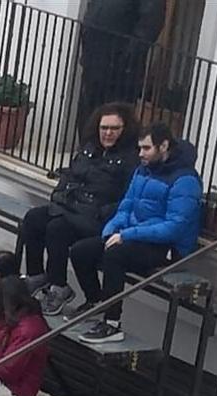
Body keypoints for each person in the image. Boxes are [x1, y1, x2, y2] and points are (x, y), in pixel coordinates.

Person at [69, 123, 201, 344]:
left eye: (146, 148)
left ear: (164, 146)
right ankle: (96, 302)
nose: (141, 154)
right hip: (134, 235)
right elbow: (126, 205)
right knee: (81, 251)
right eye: (140, 148)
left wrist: (128, 234)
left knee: (115, 255)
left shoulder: (185, 181)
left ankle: (112, 324)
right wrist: (111, 229)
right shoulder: (143, 170)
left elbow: (174, 227)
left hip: (166, 248)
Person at [22, 104, 138, 316]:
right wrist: (58, 195)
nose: (108, 133)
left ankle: (59, 287)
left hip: (96, 218)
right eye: (104, 127)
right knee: (33, 218)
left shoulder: (131, 159)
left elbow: (127, 198)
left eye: (115, 128)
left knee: (57, 228)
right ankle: (36, 275)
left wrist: (101, 212)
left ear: (125, 129)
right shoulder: (89, 149)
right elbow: (70, 175)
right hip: (71, 206)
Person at [78, 0, 163, 119]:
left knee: (114, 120)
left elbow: (150, 25)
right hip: (93, 64)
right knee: (87, 117)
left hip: (120, 74)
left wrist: (125, 57)